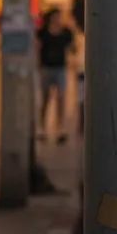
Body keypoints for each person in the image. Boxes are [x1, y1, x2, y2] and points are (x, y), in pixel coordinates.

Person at [37, 8, 75, 143]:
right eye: (55, 16)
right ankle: (42, 126)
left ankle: (60, 127)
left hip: (60, 68)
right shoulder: (43, 32)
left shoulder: (66, 32)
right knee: (45, 98)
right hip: (47, 68)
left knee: (61, 98)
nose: (58, 19)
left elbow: (72, 48)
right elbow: (38, 48)